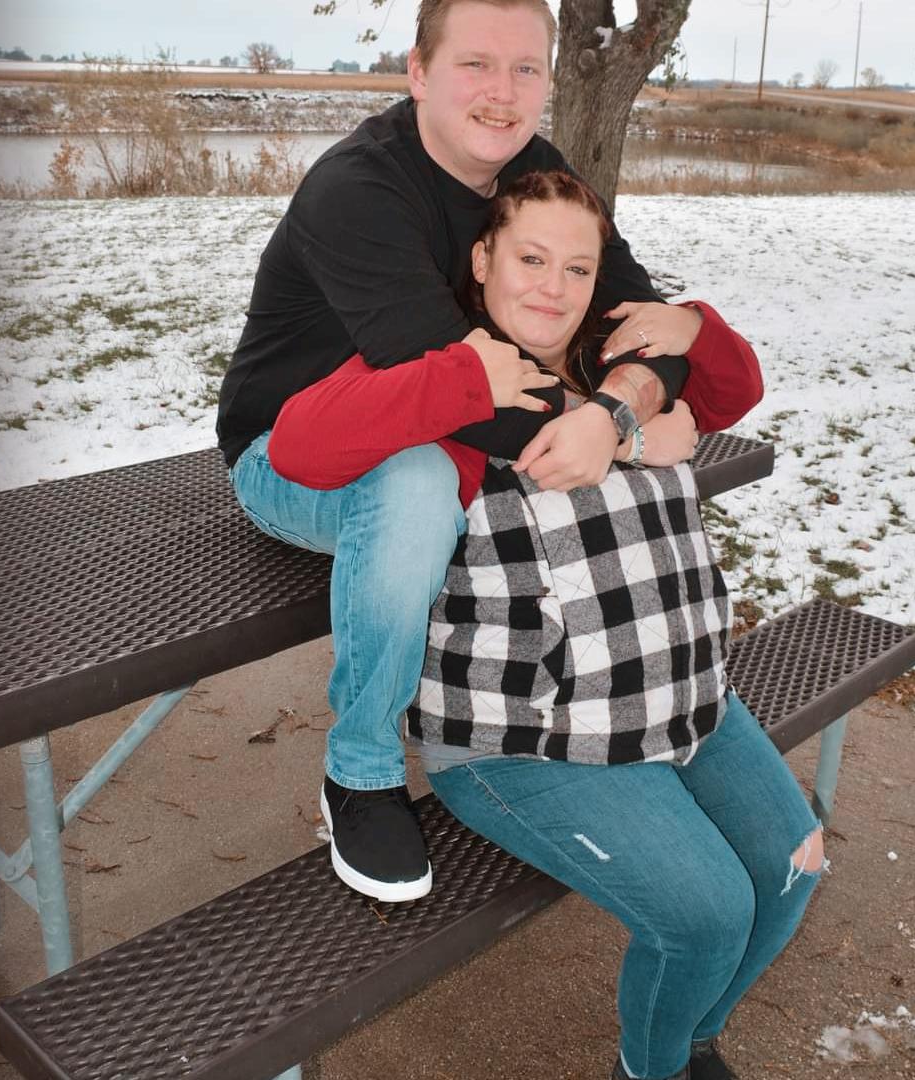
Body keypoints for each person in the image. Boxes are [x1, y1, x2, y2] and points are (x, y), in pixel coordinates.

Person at [271, 171, 823, 1080]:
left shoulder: (628, 376)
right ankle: (657, 1068)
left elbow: (735, 383)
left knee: (793, 866)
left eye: (577, 268)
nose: (552, 289)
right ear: (481, 259)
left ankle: (688, 1040)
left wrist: (691, 329)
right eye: (530, 259)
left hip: (685, 700)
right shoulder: (441, 379)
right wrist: (454, 382)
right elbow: (299, 443)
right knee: (707, 915)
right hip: (525, 739)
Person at [217, 0, 757, 904]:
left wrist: (631, 401)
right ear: (418, 72)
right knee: (420, 478)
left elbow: (639, 322)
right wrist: (621, 427)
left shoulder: (534, 171)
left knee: (477, 487)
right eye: (475, 64)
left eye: (525, 69)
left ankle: (593, 717)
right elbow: (472, 398)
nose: (502, 94)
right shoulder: (359, 190)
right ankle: (360, 768)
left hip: (441, 423)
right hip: (299, 448)